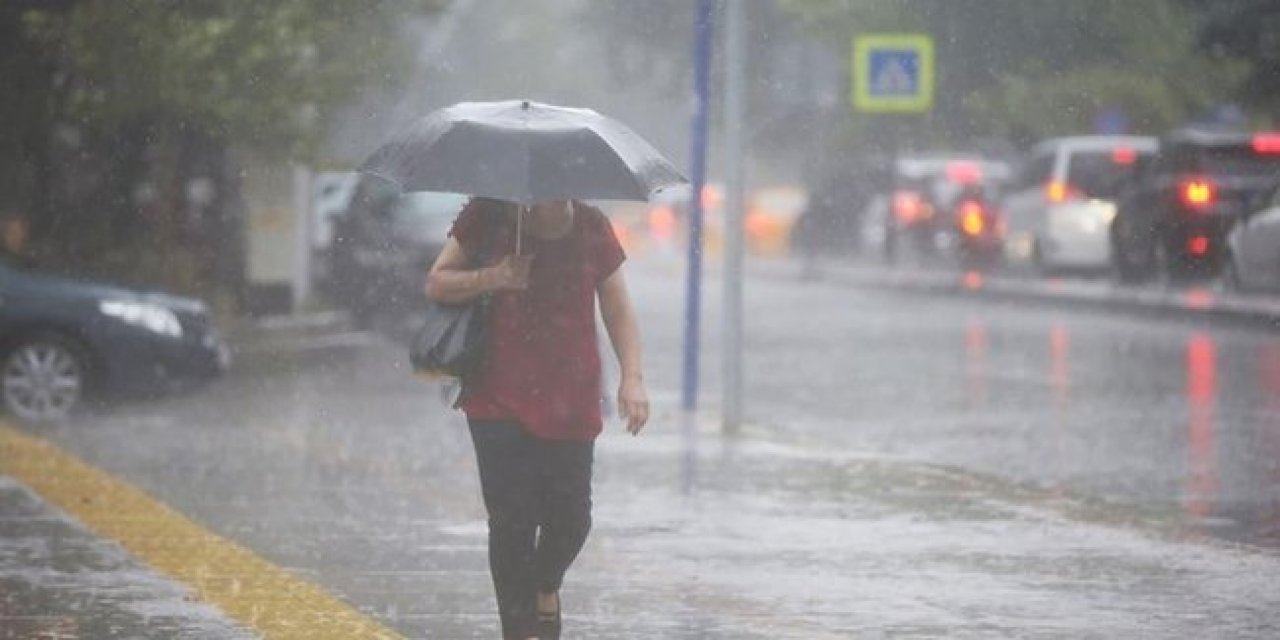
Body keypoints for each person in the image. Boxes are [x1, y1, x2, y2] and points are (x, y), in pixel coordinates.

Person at [425, 196, 650, 640]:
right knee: (512, 522)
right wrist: (495, 277)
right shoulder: (487, 214)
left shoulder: (591, 226)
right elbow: (437, 282)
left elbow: (617, 307)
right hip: (497, 395)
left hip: (571, 394)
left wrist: (633, 378)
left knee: (572, 519)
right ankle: (518, 630)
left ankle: (546, 587)